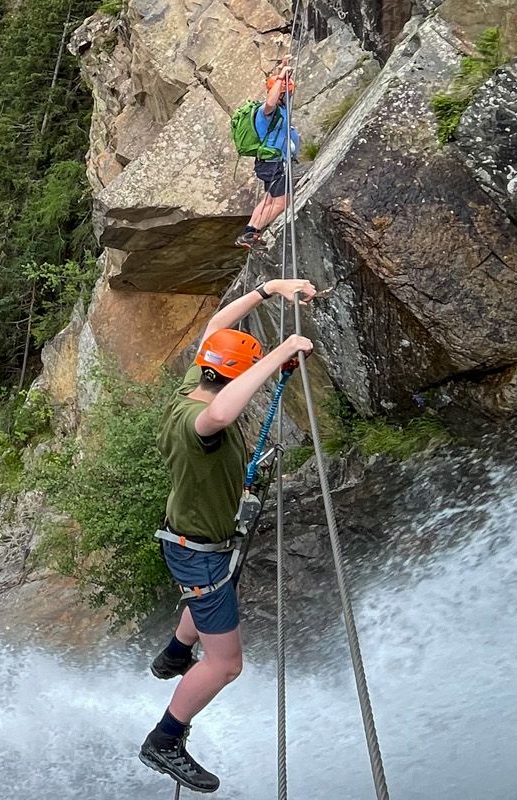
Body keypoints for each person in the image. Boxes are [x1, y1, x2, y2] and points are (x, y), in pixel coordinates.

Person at [139, 277, 319, 793]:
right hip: (199, 555)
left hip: (186, 541)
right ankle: (165, 740)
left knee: (206, 608)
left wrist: (267, 288)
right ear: (233, 378)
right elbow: (222, 412)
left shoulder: (190, 389)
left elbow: (217, 328)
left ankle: (175, 653)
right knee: (225, 664)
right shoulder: (204, 420)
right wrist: (281, 351)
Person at [236, 63, 300, 250]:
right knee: (281, 202)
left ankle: (249, 232)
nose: (290, 95)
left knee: (269, 200)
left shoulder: (280, 110)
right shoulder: (267, 111)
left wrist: (284, 68)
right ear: (280, 93)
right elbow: (270, 102)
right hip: (273, 164)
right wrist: (280, 78)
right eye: (287, 92)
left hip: (271, 163)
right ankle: (252, 232)